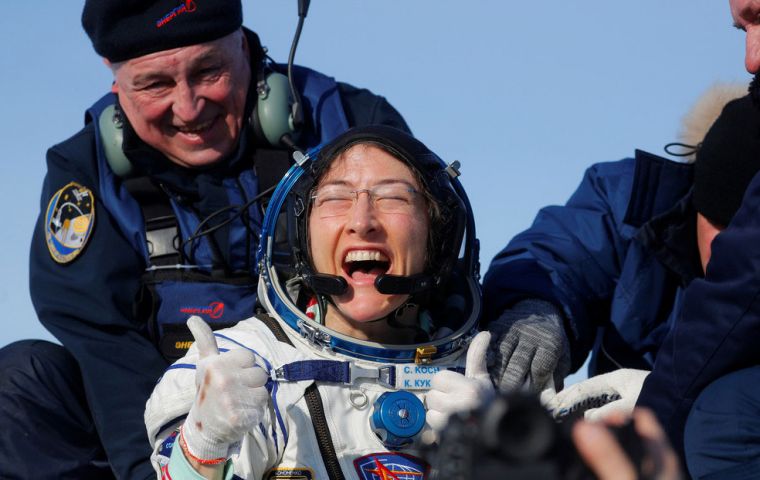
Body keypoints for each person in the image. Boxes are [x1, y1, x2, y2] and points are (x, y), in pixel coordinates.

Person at [0, 1, 411, 478]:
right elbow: (108, 354)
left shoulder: (352, 127)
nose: (189, 108)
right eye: (155, 83)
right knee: (22, 379)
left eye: (208, 70)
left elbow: (432, 287)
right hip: (169, 424)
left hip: (339, 414)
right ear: (114, 81)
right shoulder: (86, 176)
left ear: (245, 46)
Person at [144, 125, 492, 479]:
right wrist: (204, 449)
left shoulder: (494, 379)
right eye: (335, 198)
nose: (361, 221)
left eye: (393, 198)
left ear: (439, 234)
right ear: (302, 235)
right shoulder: (236, 369)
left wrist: (502, 456)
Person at [481, 82, 749, 397]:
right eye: (718, 219)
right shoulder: (634, 203)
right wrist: (538, 309)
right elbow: (561, 253)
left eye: (746, 227)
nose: (726, 243)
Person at [635, 3, 760, 478]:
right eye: (742, 28)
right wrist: (536, 310)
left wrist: (639, 442)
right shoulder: (635, 206)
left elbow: (743, 283)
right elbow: (566, 247)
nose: (750, 58)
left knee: (727, 418)